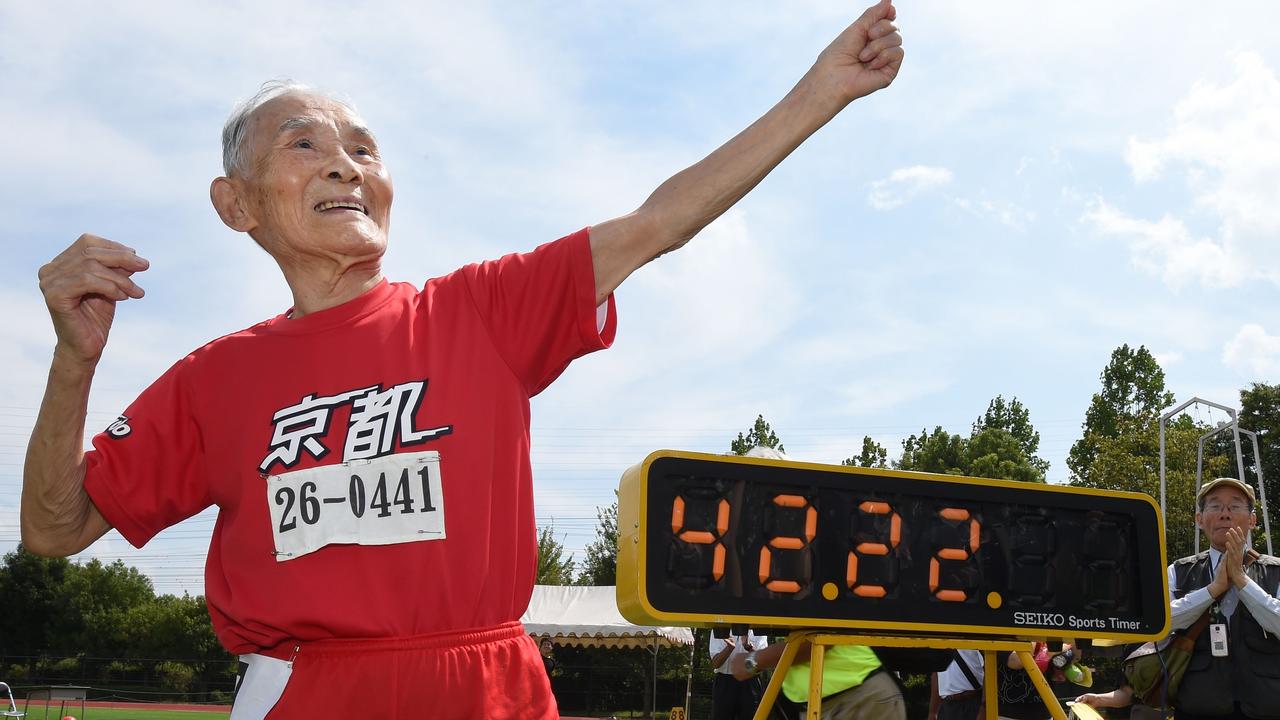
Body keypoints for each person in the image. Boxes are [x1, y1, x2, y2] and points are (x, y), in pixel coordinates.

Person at [20, 3, 903, 719]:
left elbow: (656, 224)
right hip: (307, 693)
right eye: (305, 145)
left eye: (363, 148)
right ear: (236, 203)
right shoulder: (214, 380)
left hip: (487, 690)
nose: (345, 166)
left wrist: (820, 92)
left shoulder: (478, 312)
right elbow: (55, 529)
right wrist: (73, 360)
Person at [1166, 477, 1280, 720]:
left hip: (1266, 709)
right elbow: (1162, 622)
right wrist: (1212, 590)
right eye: (1215, 506)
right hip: (1196, 708)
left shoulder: (1276, 571)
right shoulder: (1178, 571)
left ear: (1252, 520)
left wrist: (1241, 580)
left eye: (1235, 506)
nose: (1224, 514)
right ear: (1200, 519)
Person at [710, 630, 769, 720]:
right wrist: (729, 648)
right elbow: (715, 663)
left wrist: (749, 648)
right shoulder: (720, 628)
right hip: (725, 682)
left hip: (750, 683)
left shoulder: (759, 629)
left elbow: (762, 665)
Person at [931, 650, 984, 720]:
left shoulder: (976, 640)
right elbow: (936, 674)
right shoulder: (937, 643)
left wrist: (983, 708)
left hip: (973, 702)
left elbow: (989, 672)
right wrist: (933, 712)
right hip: (947, 706)